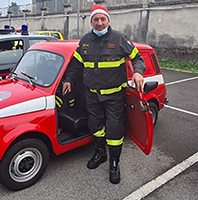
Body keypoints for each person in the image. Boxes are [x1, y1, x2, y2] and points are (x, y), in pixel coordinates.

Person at [62, 4, 145, 184]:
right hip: (91, 95)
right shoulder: (85, 41)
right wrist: (69, 79)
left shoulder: (119, 39)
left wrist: (138, 72)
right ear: (91, 21)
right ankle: (100, 154)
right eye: (95, 19)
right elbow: (76, 65)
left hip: (114, 96)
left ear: (108, 20)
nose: (99, 23)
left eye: (102, 19)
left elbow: (138, 58)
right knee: (94, 125)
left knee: (114, 130)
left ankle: (114, 163)